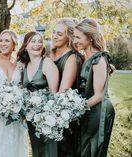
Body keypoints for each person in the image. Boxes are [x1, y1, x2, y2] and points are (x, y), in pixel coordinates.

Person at [73, 18, 115, 157]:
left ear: (90, 38)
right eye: (74, 37)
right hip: (87, 109)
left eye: (78, 37)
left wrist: (74, 111)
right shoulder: (84, 56)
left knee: (91, 151)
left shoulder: (98, 59)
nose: (75, 41)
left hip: (99, 111)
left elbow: (98, 95)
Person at [0, 29, 29, 157]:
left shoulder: (20, 64)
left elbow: (22, 87)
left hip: (16, 115)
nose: (2, 43)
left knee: (15, 149)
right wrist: (2, 104)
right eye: (0, 41)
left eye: (7, 40)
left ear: (14, 44)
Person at [17, 31, 59, 157]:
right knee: (37, 151)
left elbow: (54, 95)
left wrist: (46, 117)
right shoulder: (25, 65)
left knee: (48, 152)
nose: (37, 44)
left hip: (47, 119)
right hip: (31, 119)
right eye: (33, 41)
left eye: (40, 41)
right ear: (26, 45)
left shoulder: (47, 63)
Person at [49, 17, 82, 157]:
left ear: (68, 37)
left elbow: (63, 92)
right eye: (54, 32)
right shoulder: (51, 53)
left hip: (63, 114)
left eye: (59, 34)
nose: (54, 36)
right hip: (48, 113)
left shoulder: (72, 58)